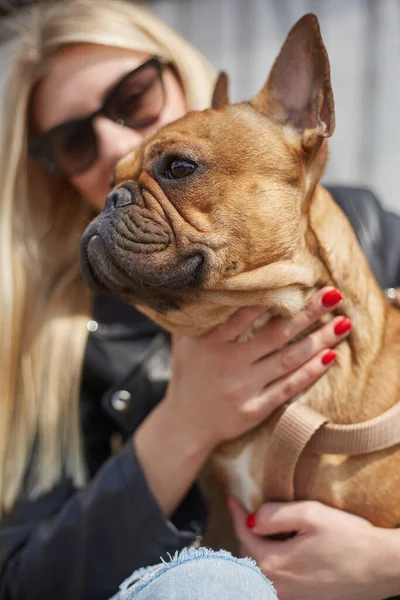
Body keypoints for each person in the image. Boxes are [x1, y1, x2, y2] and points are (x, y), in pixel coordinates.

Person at [0, 1, 399, 599]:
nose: (112, 151)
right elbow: (25, 581)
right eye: (73, 143)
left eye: (133, 97)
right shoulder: (53, 338)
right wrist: (184, 421)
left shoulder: (370, 229)